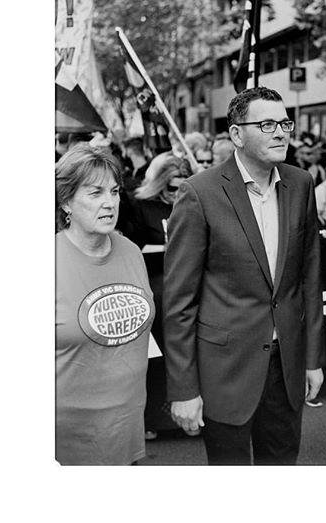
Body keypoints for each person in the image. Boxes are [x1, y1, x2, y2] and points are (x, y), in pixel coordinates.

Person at [162, 86, 325, 465]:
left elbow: (309, 280)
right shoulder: (199, 193)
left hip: (286, 368)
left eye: (284, 122)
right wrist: (183, 389)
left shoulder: (301, 185)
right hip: (226, 372)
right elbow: (179, 301)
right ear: (237, 134)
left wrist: (313, 358)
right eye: (267, 124)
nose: (281, 132)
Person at [55, 143, 155, 465]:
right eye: (95, 193)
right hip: (63, 441)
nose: (109, 203)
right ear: (66, 201)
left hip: (126, 429)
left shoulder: (130, 252)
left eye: (113, 192)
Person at [131, 153, 193, 438]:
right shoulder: (142, 206)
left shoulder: (190, 202)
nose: (174, 194)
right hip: (155, 286)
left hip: (187, 286)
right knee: (157, 359)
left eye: (180, 187)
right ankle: (154, 417)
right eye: (170, 188)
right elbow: (132, 248)